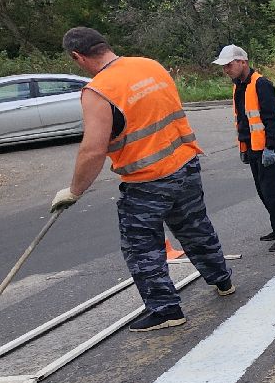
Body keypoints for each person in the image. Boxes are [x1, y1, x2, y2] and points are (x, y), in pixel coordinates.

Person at [51, 27, 233, 332]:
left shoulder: (98, 91)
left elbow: (93, 150)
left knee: (141, 246)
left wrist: (74, 190)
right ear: (104, 45)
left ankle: (166, 310)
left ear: (77, 56)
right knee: (195, 228)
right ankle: (222, 279)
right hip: (185, 164)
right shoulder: (149, 65)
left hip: (148, 180)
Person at [214, 44, 275, 252]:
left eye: (229, 65)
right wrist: (243, 147)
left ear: (243, 62)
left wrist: (270, 147)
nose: (226, 70)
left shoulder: (261, 84)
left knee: (272, 192)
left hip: (266, 148)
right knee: (262, 191)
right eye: (224, 67)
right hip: (251, 147)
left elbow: (271, 119)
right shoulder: (238, 85)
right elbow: (242, 120)